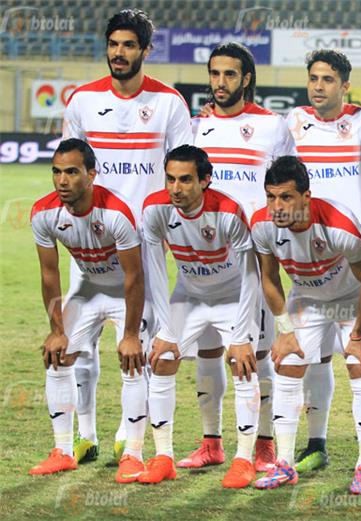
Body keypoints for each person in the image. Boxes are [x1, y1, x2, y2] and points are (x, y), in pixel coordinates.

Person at [62, 8, 193, 463]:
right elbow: (69, 168)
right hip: (90, 243)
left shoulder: (169, 103)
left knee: (137, 343)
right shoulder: (82, 101)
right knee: (79, 343)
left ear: (146, 50)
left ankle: (127, 432)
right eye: (113, 44)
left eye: (129, 45)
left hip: (144, 243)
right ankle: (85, 434)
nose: (119, 53)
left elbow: (183, 171)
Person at [188, 41, 292, 473]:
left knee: (257, 354)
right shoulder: (196, 128)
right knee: (208, 351)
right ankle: (211, 442)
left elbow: (287, 185)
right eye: (214, 73)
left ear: (246, 78)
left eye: (229, 74)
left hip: (253, 259)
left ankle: (263, 445)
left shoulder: (272, 127)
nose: (220, 82)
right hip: (204, 258)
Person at [250, 156, 361, 495]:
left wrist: (360, 335)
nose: (277, 207)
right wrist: (284, 330)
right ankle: (284, 463)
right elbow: (269, 278)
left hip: (352, 298)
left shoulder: (339, 225)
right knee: (287, 362)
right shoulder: (262, 226)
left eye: (286, 197)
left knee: (359, 364)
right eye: (270, 197)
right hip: (307, 298)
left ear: (306, 196)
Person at [138, 145, 261, 487]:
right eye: (170, 179)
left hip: (233, 296)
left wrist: (241, 336)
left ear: (206, 180)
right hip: (189, 296)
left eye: (185, 180)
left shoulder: (228, 213)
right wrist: (165, 329)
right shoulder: (155, 209)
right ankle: (163, 457)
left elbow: (252, 275)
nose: (175, 188)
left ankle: (244, 459)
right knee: (162, 358)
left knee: (242, 364)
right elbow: (155, 271)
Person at [284, 48, 361, 474]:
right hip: (309, 257)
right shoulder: (293, 123)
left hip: (357, 258)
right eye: (313, 78)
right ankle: (316, 444)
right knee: (313, 358)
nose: (319, 86)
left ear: (345, 85)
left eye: (328, 79)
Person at [29, 139, 147, 483]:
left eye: (71, 172)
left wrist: (130, 334)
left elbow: (135, 277)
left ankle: (133, 454)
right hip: (88, 288)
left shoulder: (116, 213)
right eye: (56, 172)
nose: (62, 180)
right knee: (57, 355)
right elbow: (49, 274)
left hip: (126, 291)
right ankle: (63, 450)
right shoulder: (43, 213)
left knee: (133, 361)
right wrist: (57, 330)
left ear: (91, 174)